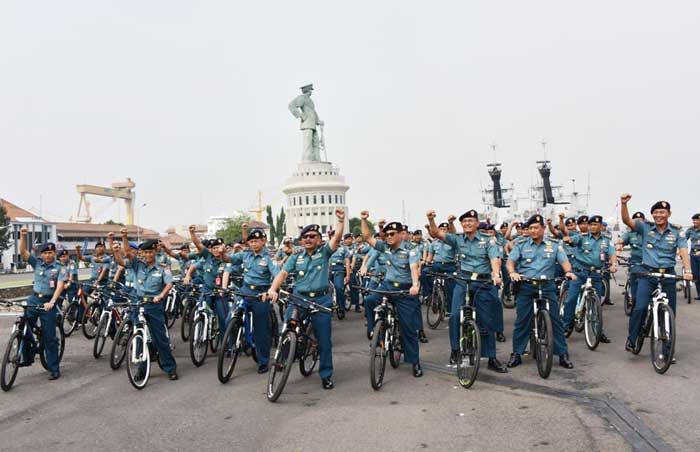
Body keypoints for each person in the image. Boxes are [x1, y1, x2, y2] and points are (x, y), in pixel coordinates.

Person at [267, 209, 346, 389]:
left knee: (324, 341)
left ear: (319, 239)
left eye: (313, 236)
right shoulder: (296, 257)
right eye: (305, 237)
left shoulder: (324, 252)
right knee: (288, 326)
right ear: (301, 240)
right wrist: (273, 289)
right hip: (299, 299)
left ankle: (326, 374)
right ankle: (283, 359)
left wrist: (340, 221)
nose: (309, 239)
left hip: (321, 301)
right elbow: (283, 273)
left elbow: (337, 238)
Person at [426, 209, 507, 373]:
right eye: (464, 222)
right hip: (463, 281)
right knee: (455, 316)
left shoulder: (488, 241)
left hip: (483, 282)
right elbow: (436, 233)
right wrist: (431, 219)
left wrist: (496, 275)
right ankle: (455, 350)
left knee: (486, 321)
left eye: (471, 221)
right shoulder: (457, 239)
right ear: (461, 225)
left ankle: (491, 357)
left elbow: (494, 259)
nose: (467, 224)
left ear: (477, 223)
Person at [620, 196, 692, 352]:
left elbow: (684, 251)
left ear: (669, 214)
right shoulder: (645, 227)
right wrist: (624, 204)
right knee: (640, 307)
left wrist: (688, 271)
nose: (659, 215)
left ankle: (667, 350)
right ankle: (632, 338)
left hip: (668, 275)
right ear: (652, 215)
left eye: (662, 212)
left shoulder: (677, 231)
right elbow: (627, 221)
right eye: (656, 212)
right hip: (648, 274)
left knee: (669, 313)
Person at [506, 215, 576, 369]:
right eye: (530, 228)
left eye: (536, 227)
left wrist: (568, 272)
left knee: (555, 320)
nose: (533, 230)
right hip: (526, 286)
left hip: (547, 286)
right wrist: (512, 272)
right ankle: (517, 353)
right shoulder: (521, 244)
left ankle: (563, 354)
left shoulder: (554, 245)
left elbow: (564, 261)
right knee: (522, 321)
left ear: (543, 229)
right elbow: (510, 261)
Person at [359, 212, 424, 377]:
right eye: (386, 234)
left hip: (406, 290)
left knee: (408, 328)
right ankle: (377, 333)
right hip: (388, 286)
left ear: (401, 234)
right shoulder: (384, 247)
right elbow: (367, 236)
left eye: (392, 234)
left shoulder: (411, 249)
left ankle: (414, 362)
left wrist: (415, 285)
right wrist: (364, 220)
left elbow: (414, 268)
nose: (388, 237)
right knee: (369, 300)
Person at [111, 231, 178, 381]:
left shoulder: (162, 267)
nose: (148, 254)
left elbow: (169, 284)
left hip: (154, 305)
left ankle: (170, 367)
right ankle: (142, 367)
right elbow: (124, 258)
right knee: (139, 337)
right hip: (138, 303)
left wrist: (161, 295)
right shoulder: (137, 265)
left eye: (150, 251)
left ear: (155, 252)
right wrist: (123, 239)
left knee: (160, 338)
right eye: (145, 252)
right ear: (142, 253)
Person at [222, 229, 279, 374]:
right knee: (230, 319)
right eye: (251, 241)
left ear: (263, 241)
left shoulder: (268, 258)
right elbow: (229, 260)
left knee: (261, 331)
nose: (253, 244)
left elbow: (277, 274)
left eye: (256, 241)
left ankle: (263, 361)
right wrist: (222, 253)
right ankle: (235, 344)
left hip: (261, 294)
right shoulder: (245, 254)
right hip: (245, 291)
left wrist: (272, 290)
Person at [18, 229, 66, 380]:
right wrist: (23, 236)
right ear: (41, 254)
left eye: (50, 253)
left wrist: (52, 302)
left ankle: (54, 368)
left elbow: (59, 286)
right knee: (23, 327)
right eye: (45, 253)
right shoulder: (37, 263)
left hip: (48, 302)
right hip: (33, 299)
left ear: (54, 253)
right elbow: (23, 251)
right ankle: (28, 355)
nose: (47, 255)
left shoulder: (60, 268)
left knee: (49, 337)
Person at [561, 215, 616, 343]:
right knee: (571, 299)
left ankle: (598, 330)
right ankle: (567, 326)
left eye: (595, 225)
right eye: (590, 225)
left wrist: (613, 264)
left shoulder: (607, 240)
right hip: (580, 273)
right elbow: (570, 240)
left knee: (596, 303)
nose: (592, 227)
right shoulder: (582, 237)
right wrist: (567, 239)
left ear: (601, 226)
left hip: (596, 274)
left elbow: (612, 253)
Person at [184, 231, 229, 340]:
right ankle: (199, 335)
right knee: (200, 310)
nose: (216, 250)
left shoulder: (226, 259)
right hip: (206, 290)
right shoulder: (207, 258)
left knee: (223, 317)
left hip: (219, 292)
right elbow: (198, 245)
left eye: (218, 247)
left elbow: (226, 274)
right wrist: (188, 276)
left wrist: (223, 289)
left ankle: (226, 343)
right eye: (214, 248)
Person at [288, 83, 324, 162]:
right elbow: (291, 106)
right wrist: (301, 116)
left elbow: (313, 112)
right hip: (307, 124)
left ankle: (317, 159)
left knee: (316, 142)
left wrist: (318, 121)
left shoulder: (310, 100)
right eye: (311, 90)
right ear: (308, 90)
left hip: (313, 124)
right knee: (307, 144)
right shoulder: (301, 98)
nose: (311, 92)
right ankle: (307, 160)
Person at [617, 212, 646, 309]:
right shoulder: (630, 233)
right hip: (635, 261)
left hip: (649, 262)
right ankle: (633, 299)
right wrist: (619, 246)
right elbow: (621, 241)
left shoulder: (649, 232)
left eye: (641, 220)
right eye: (636, 220)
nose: (639, 222)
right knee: (635, 282)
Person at [686, 213, 700, 300]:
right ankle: (699, 294)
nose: (695, 221)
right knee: (696, 275)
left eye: (697, 220)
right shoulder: (690, 230)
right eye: (694, 220)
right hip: (693, 254)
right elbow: (683, 240)